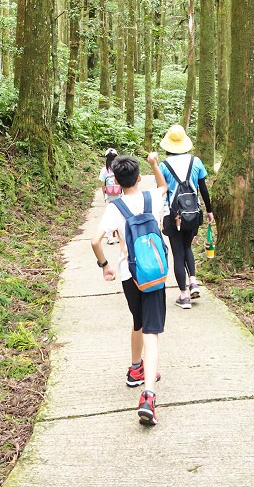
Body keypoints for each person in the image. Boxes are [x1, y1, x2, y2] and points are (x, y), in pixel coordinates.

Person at [91, 153, 168, 426]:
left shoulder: (115, 207)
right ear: (138, 178)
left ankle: (136, 368)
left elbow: (95, 241)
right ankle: (148, 395)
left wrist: (105, 266)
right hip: (154, 273)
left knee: (138, 321)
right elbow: (164, 187)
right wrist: (155, 165)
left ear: (117, 181)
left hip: (128, 274)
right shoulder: (152, 199)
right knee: (152, 332)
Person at [158, 124, 213, 310]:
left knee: (177, 252)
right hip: (193, 214)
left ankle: (184, 295)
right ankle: (193, 281)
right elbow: (203, 188)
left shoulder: (163, 166)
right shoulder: (196, 162)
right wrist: (209, 211)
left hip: (172, 216)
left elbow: (161, 192)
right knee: (187, 247)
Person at [98, 147, 121, 244]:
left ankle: (110, 238)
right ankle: (120, 237)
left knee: (109, 216)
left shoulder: (104, 170)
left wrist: (104, 195)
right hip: (119, 195)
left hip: (109, 195)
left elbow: (103, 185)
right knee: (119, 215)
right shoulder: (118, 168)